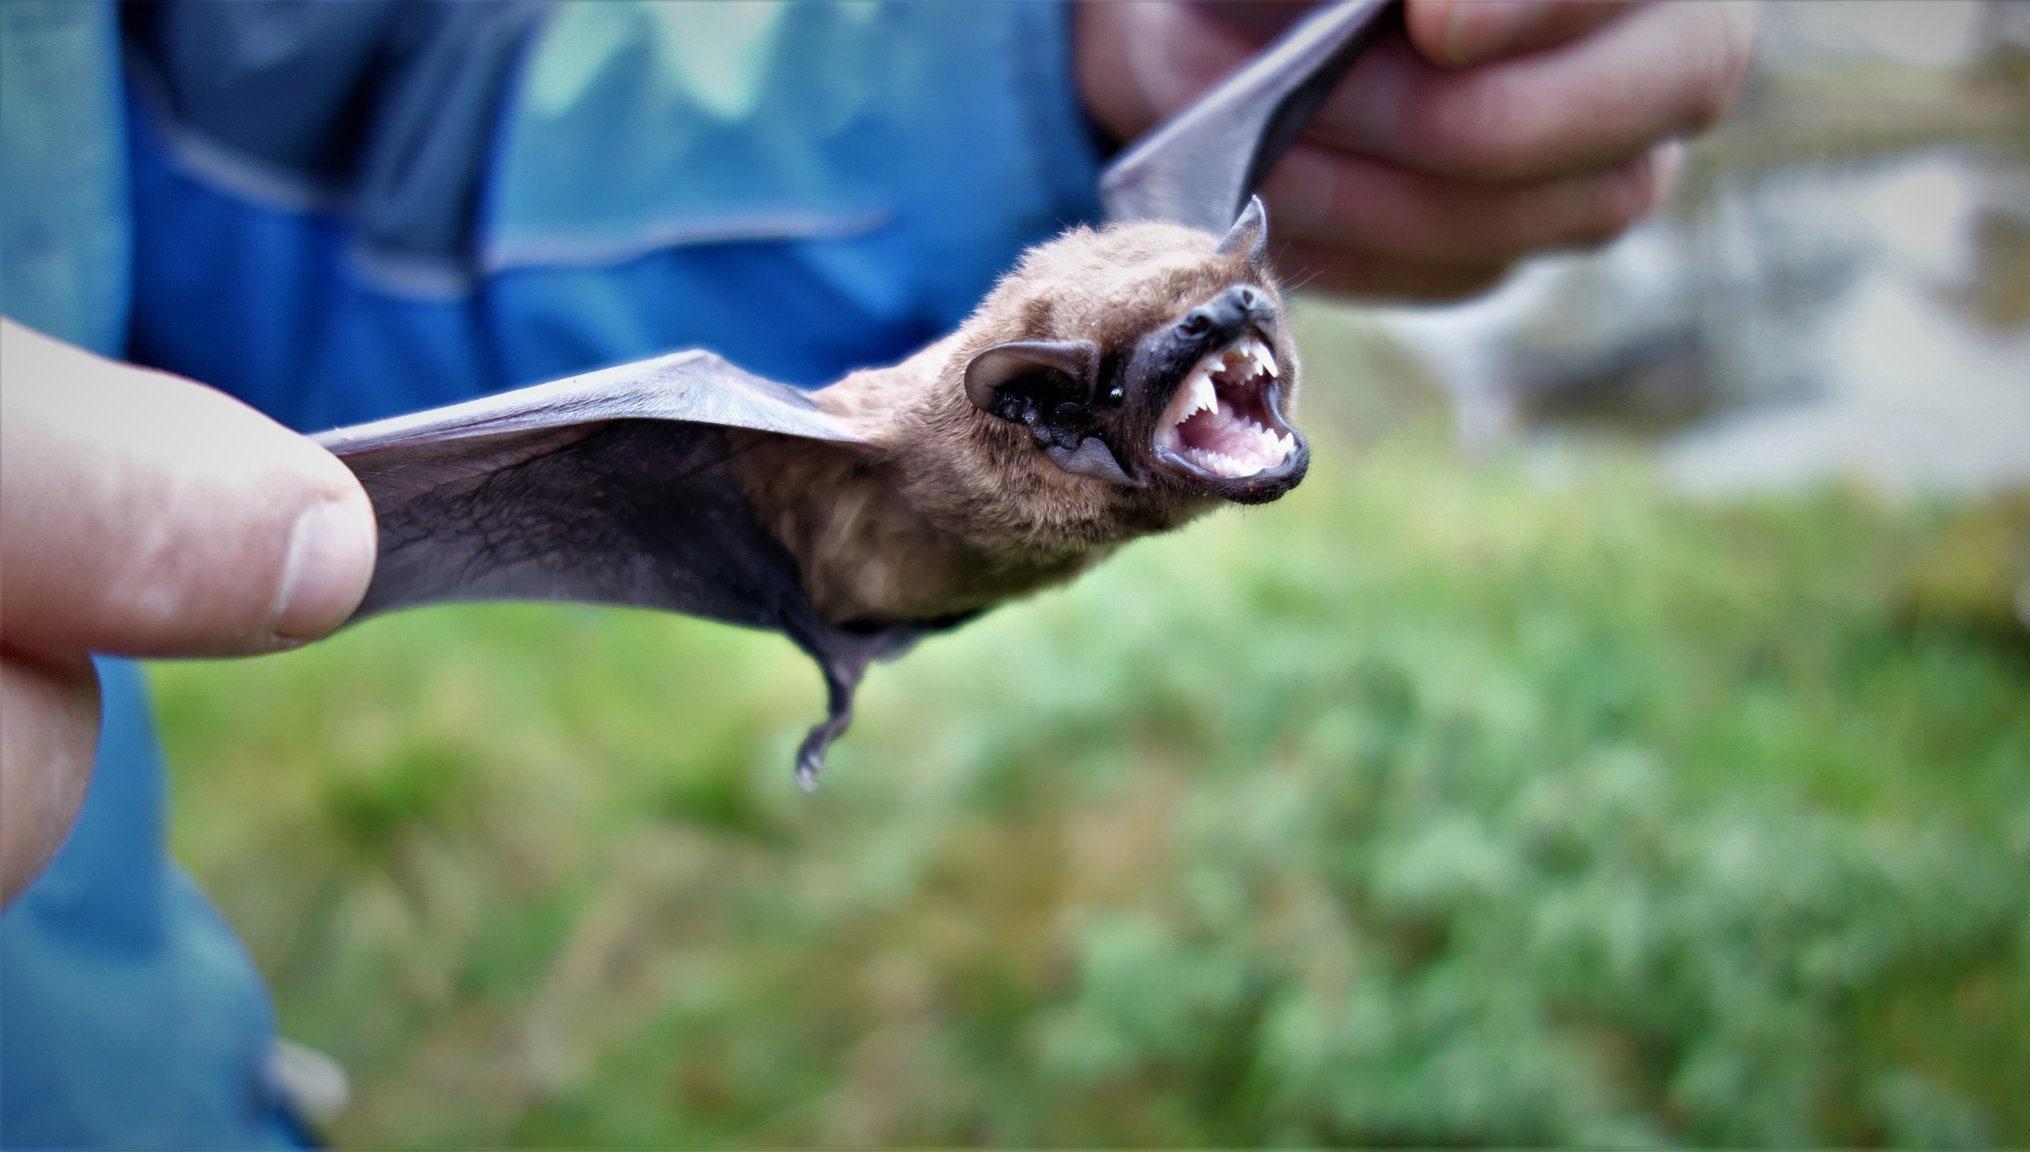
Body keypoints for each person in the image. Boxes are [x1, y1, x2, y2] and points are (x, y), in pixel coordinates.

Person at [0, 1, 1754, 1144]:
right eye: (1182, 358)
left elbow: (280, 123)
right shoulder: (876, 448)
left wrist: (1089, 60)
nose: (1244, 349)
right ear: (1035, 409)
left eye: (1243, 323)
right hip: (831, 515)